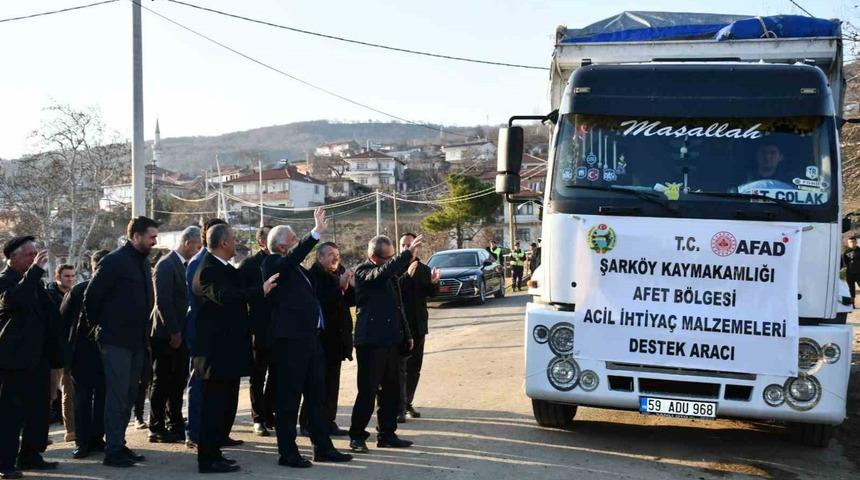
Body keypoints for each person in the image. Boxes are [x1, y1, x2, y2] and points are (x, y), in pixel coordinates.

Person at [262, 209, 353, 468]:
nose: (296, 240)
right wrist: (314, 234)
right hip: (290, 342)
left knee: (317, 396)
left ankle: (323, 447)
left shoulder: (298, 270)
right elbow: (291, 259)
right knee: (289, 400)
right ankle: (287, 453)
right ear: (281, 245)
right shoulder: (273, 263)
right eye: (293, 238)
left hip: (310, 340)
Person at [193, 224, 279, 474]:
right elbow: (226, 297)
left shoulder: (225, 268)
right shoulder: (208, 271)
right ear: (222, 243)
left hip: (228, 352)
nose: (236, 241)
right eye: (232, 238)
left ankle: (216, 452)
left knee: (225, 405)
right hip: (214, 353)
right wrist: (259, 291)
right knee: (213, 407)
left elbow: (241, 285)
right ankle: (207, 459)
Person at [84, 216, 158, 468]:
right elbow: (91, 298)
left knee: (128, 395)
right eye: (151, 236)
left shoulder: (142, 263)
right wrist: (104, 327)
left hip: (137, 341)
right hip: (115, 341)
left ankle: (119, 443)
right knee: (116, 396)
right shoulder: (114, 262)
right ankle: (112, 450)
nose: (154, 241)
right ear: (136, 236)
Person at [348, 234, 419, 453]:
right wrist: (406, 255)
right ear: (373, 256)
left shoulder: (389, 274)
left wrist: (406, 334)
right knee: (368, 391)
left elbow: (398, 307)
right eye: (386, 258)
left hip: (391, 340)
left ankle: (387, 433)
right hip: (370, 342)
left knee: (392, 391)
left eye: (391, 257)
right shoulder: (363, 272)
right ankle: (357, 436)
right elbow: (380, 273)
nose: (389, 261)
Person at [0, 237, 62, 478]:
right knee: (10, 414)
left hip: (38, 359)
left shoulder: (35, 283)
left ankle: (31, 454)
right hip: (13, 362)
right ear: (13, 257)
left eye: (37, 254)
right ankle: (5, 462)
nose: (35, 259)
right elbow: (14, 300)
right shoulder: (6, 281)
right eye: (29, 255)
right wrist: (35, 272)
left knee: (38, 411)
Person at [148, 226, 201, 443]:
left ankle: (175, 422)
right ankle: (156, 426)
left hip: (182, 333)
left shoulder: (186, 265)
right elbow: (163, 301)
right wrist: (174, 331)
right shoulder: (166, 264)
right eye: (197, 246)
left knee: (178, 380)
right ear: (187, 242)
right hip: (165, 333)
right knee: (162, 381)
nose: (198, 250)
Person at [184, 218, 231, 450]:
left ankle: (216, 433)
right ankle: (195, 432)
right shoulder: (200, 263)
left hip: (215, 334)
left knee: (215, 389)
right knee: (201, 383)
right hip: (201, 334)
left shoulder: (217, 262)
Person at [299, 242, 354, 436]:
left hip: (337, 340)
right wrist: (338, 286)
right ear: (320, 257)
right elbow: (320, 300)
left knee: (332, 385)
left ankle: (329, 421)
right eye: (330, 254)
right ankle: (307, 423)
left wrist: (348, 287)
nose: (335, 258)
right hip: (321, 339)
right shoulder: (313, 276)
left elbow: (349, 301)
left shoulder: (338, 273)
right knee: (316, 385)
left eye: (337, 254)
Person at [62, 250, 110, 460]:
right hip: (82, 352)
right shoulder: (79, 291)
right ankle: (83, 441)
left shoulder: (114, 291)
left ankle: (97, 439)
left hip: (107, 352)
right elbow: (63, 321)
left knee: (102, 398)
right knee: (82, 399)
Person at [237, 225, 276, 437]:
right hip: (259, 327)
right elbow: (241, 295)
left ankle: (270, 413)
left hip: (280, 327)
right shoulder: (250, 265)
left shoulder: (283, 262)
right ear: (262, 242)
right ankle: (258, 417)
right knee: (258, 375)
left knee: (277, 374)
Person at [397, 233, 440, 423]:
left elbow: (430, 294)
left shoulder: (424, 269)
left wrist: (434, 283)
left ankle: (407, 403)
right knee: (398, 369)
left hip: (418, 325)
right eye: (403, 245)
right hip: (399, 327)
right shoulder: (393, 267)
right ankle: (396, 406)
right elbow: (394, 288)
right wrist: (407, 274)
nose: (406, 248)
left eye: (410, 245)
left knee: (414, 369)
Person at [46, 264, 77, 442]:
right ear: (58, 277)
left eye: (73, 276)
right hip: (52, 352)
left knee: (69, 392)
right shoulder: (49, 296)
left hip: (69, 349)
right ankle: (42, 432)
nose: (70, 279)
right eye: (67, 276)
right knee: (49, 394)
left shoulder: (74, 294)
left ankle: (71, 431)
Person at [843, 236, 860, 306]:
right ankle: (852, 303)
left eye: (853, 242)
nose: (852, 243)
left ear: (856, 242)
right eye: (850, 242)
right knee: (851, 289)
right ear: (848, 243)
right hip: (850, 274)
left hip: (859, 273)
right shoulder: (846, 252)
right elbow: (845, 262)